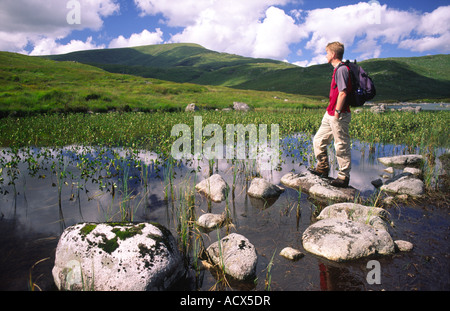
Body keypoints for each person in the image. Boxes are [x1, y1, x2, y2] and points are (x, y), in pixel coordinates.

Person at [309, 42, 352, 188]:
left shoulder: (342, 70)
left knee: (341, 144)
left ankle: (343, 176)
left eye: (327, 52)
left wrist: (338, 113)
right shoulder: (338, 70)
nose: (326, 55)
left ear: (333, 54)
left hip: (338, 114)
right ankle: (322, 168)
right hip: (330, 113)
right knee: (318, 140)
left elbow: (343, 92)